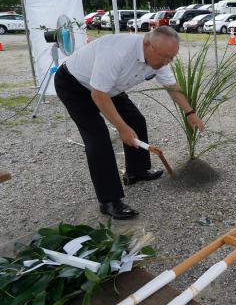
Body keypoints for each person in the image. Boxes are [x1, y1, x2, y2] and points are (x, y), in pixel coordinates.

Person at [54, 26, 205, 219]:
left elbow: (172, 86)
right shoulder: (116, 52)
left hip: (110, 87)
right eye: (165, 57)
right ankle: (109, 201)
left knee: (136, 120)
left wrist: (190, 112)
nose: (167, 62)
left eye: (172, 57)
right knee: (98, 138)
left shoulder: (160, 58)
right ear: (146, 45)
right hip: (76, 85)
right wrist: (122, 128)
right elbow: (98, 95)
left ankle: (137, 171)